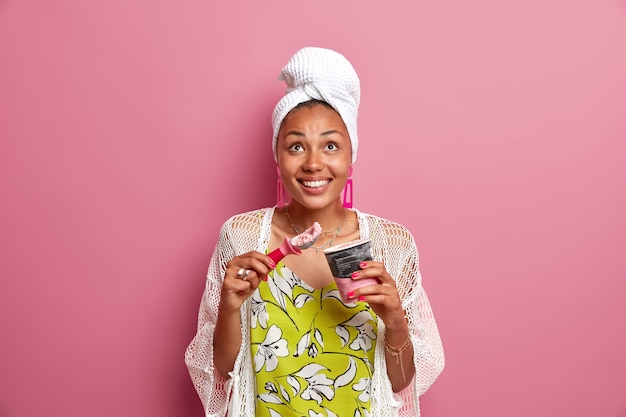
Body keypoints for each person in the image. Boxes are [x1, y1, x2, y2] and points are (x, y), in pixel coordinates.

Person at [185, 46, 444, 417]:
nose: (313, 163)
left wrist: (395, 320)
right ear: (277, 156)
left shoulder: (392, 244)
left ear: (351, 154)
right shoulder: (242, 236)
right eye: (296, 146)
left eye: (331, 145)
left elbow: (402, 385)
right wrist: (228, 308)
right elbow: (222, 372)